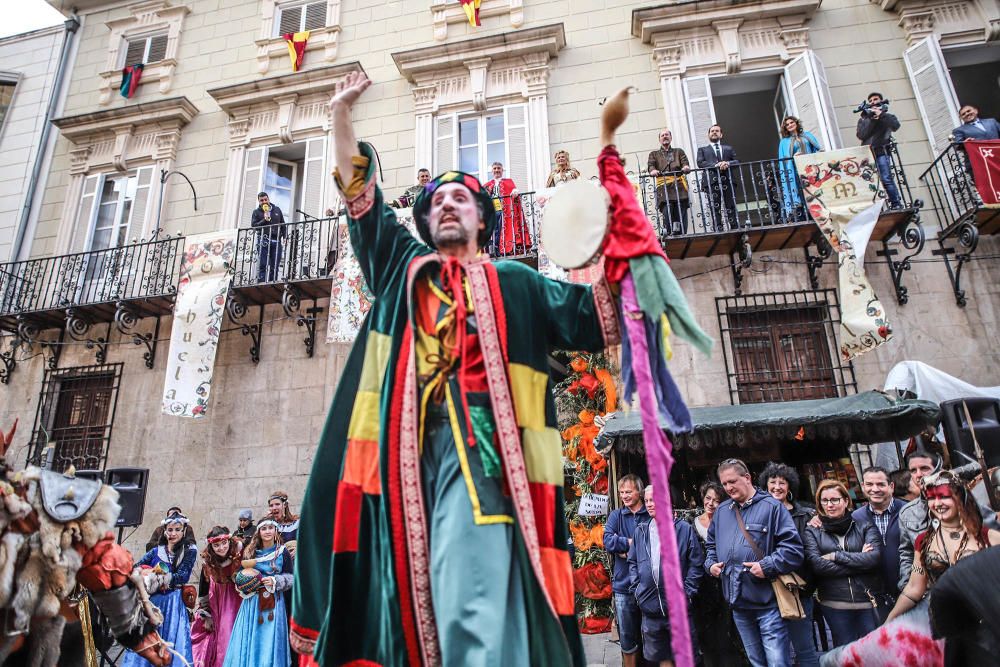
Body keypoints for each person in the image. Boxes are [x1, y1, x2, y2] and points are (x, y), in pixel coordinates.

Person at [292, 71, 619, 666]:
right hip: (402, 464)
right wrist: (339, 115)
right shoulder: (402, 266)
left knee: (478, 588)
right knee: (412, 602)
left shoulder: (518, 283)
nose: (446, 203)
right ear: (422, 221)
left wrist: (617, 245)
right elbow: (359, 196)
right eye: (436, 199)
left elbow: (600, 319)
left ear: (483, 221)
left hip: (494, 456)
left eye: (461, 198)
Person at [704, 458, 804, 667]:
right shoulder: (722, 511)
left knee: (777, 663)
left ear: (747, 478)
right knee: (756, 662)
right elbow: (710, 545)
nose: (728, 487)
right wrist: (710, 564)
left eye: (732, 481)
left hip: (767, 602)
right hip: (737, 602)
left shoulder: (772, 507)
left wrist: (767, 566)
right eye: (724, 484)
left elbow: (793, 550)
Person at [888, 470, 999, 623]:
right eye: (931, 498)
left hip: (989, 618)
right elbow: (913, 589)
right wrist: (890, 620)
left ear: (959, 498)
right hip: (948, 623)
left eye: (944, 497)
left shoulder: (989, 537)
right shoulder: (923, 542)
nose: (937, 503)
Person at [628, 484, 703, 667]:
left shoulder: (683, 529)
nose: (649, 504)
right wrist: (638, 589)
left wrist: (687, 593)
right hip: (651, 608)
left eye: (653, 500)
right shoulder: (641, 530)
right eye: (646, 501)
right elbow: (632, 562)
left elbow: (696, 563)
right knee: (662, 658)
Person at [804, 480, 882, 647]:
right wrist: (858, 560)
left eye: (835, 500)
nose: (829, 505)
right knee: (845, 655)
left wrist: (835, 556)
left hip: (866, 599)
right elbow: (817, 565)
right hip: (834, 602)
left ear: (846, 501)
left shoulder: (864, 526)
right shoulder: (813, 531)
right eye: (824, 501)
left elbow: (873, 559)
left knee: (873, 652)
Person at [758, 462, 819, 667]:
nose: (777, 486)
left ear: (789, 486)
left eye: (782, 482)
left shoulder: (806, 514)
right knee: (776, 651)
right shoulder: (759, 514)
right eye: (772, 482)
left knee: (804, 648)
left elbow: (809, 550)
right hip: (768, 590)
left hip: (798, 589)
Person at [123, 513, 198, 667]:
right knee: (148, 640)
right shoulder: (156, 551)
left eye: (177, 529)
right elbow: (136, 567)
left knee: (171, 639)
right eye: (170, 530)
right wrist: (146, 574)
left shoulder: (189, 550)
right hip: (153, 602)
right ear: (165, 531)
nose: (173, 533)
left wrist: (159, 578)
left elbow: (182, 576)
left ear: (184, 530)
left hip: (173, 604)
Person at [222, 520, 295, 667]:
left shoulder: (282, 552)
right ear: (259, 532)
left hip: (273, 603)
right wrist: (245, 582)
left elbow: (292, 578)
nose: (268, 531)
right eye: (264, 529)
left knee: (268, 640)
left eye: (271, 528)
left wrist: (276, 580)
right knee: (250, 637)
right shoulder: (250, 552)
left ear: (276, 531)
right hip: (251, 601)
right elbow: (238, 575)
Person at [691, 481, 745, 667]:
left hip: (726, 581)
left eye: (716, 500)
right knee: (705, 631)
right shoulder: (693, 524)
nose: (711, 503)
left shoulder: (730, 522)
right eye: (708, 498)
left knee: (728, 630)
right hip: (702, 585)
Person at [604, 474, 650, 667]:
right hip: (624, 586)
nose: (624, 495)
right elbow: (607, 540)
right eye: (622, 492)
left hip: (649, 586)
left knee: (651, 635)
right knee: (628, 637)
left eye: (629, 492)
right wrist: (630, 543)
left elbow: (654, 543)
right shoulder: (616, 515)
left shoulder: (649, 514)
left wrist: (628, 549)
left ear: (639, 492)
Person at [852, 466, 906, 619]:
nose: (874, 489)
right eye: (869, 484)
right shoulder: (856, 517)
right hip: (875, 594)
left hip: (908, 589)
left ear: (891, 486)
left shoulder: (907, 511)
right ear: (863, 486)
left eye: (881, 484)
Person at [192, 526, 244, 667]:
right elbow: (203, 591)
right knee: (223, 638)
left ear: (229, 541)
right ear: (211, 547)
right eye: (216, 545)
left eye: (223, 543)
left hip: (239, 601)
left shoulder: (239, 557)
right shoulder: (208, 564)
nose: (221, 548)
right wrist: (206, 614)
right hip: (218, 604)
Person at [855, 92, 902, 209]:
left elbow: (895, 126)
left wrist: (881, 115)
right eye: (870, 101)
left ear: (880, 100)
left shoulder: (888, 116)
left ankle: (896, 203)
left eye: (875, 99)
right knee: (871, 182)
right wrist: (872, 119)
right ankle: (877, 208)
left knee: (886, 178)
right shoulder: (864, 119)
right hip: (868, 155)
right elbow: (862, 135)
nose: (872, 102)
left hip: (882, 152)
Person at [776, 116, 822, 222]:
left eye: (791, 122)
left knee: (814, 191)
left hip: (812, 170)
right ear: (785, 128)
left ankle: (817, 211)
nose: (790, 125)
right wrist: (794, 156)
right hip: (796, 171)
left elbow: (816, 149)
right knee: (801, 192)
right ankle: (804, 214)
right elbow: (784, 160)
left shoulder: (807, 135)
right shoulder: (784, 142)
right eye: (787, 125)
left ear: (796, 123)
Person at [647, 129, 691, 236]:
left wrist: (685, 167)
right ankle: (669, 232)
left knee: (681, 209)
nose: (665, 136)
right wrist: (652, 170)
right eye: (662, 135)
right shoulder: (654, 154)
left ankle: (681, 233)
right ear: (659, 139)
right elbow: (651, 165)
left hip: (679, 185)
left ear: (671, 138)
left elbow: (685, 162)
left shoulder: (678, 151)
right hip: (664, 186)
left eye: (667, 135)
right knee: (667, 208)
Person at [696, 125, 739, 231]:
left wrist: (727, 163)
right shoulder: (702, 149)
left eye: (717, 131)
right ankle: (718, 228)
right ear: (708, 134)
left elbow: (737, 161)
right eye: (712, 131)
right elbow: (700, 163)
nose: (714, 132)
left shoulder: (728, 148)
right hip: (711, 182)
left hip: (727, 180)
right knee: (715, 206)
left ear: (721, 134)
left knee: (730, 205)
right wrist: (717, 164)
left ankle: (734, 227)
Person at [483, 162, 530, 256]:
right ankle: (494, 250)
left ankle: (502, 249)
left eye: (499, 168)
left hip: (505, 210)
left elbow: (514, 189)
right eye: (495, 168)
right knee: (494, 229)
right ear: (492, 171)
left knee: (502, 228)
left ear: (502, 170)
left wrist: (515, 192)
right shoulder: (488, 184)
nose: (497, 170)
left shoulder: (508, 181)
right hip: (493, 210)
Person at [250, 192, 288, 282]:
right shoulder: (256, 212)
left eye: (265, 199)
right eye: (261, 200)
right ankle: (261, 282)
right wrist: (264, 219)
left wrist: (285, 236)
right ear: (259, 202)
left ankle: (272, 282)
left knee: (275, 265)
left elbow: (283, 225)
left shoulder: (277, 210)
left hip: (276, 241)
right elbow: (254, 226)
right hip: (264, 239)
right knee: (263, 263)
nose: (264, 202)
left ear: (268, 199)